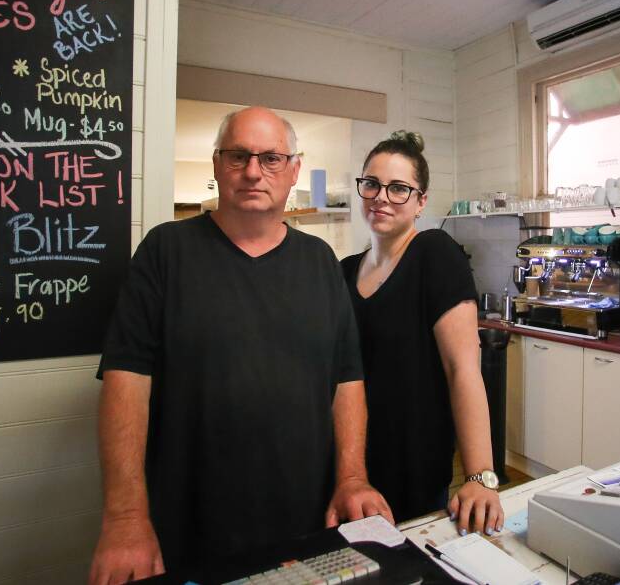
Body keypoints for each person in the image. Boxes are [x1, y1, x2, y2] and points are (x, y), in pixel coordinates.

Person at [88, 107, 391, 585]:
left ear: (294, 169)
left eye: (271, 158)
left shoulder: (319, 262)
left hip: (307, 520)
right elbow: (126, 382)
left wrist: (352, 478)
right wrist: (125, 517)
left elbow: (346, 380)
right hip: (188, 527)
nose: (253, 172)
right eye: (238, 156)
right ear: (217, 164)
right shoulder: (165, 251)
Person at [340, 131, 505, 536]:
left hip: (413, 465)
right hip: (351, 467)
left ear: (421, 201)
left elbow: (462, 369)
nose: (381, 197)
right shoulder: (344, 271)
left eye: (398, 188)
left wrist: (479, 476)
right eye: (372, 184)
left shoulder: (435, 254)